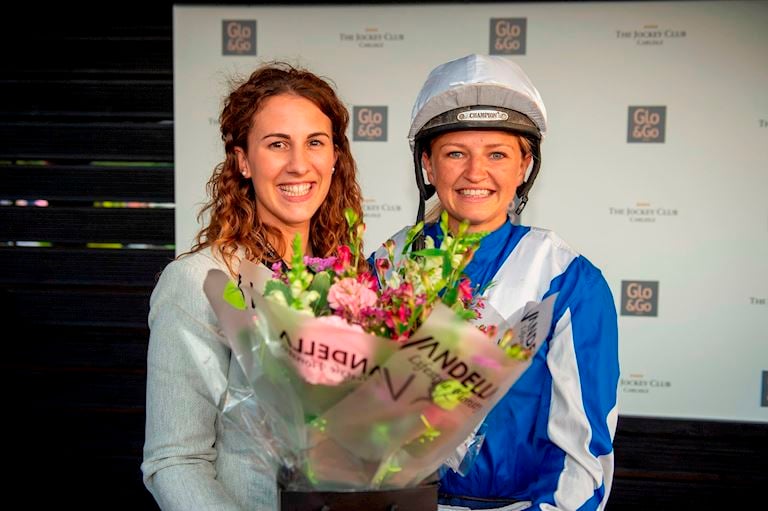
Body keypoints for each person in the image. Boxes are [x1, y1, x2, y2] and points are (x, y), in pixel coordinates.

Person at [374, 54, 620, 510]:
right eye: (455, 153)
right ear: (427, 165)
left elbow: (584, 460)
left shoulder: (568, 280)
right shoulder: (387, 266)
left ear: (525, 166)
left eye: (497, 154)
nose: (475, 173)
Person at [141, 61, 364, 510]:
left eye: (315, 143)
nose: (299, 164)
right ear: (243, 160)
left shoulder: (352, 282)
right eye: (277, 144)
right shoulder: (200, 282)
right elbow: (175, 462)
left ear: (334, 156)